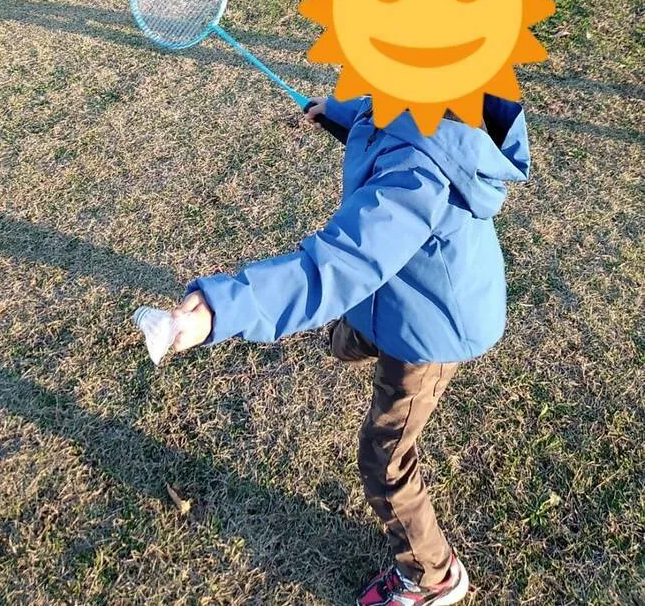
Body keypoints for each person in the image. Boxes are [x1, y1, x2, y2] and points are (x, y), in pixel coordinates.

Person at [172, 94, 530, 605]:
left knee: (384, 457)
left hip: (425, 334)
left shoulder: (417, 170)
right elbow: (378, 108)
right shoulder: (419, 99)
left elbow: (337, 266)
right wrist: (337, 112)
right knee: (345, 338)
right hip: (393, 297)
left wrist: (223, 308)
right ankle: (355, 336)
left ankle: (433, 577)